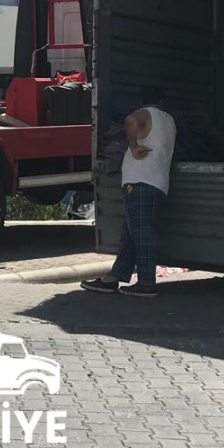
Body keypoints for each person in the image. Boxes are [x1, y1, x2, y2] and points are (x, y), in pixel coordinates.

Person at [82, 86, 176, 298]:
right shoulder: (168, 120)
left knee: (141, 233)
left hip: (140, 181)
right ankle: (114, 278)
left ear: (141, 101)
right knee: (130, 233)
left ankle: (146, 284)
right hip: (158, 182)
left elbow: (131, 120)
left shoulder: (145, 114)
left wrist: (133, 146)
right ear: (161, 101)